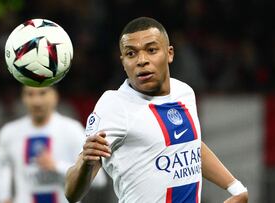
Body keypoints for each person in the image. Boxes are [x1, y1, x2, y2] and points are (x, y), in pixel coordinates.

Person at [65, 17, 248, 203]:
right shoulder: (114, 105)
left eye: (151, 50)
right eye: (131, 54)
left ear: (169, 54)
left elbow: (190, 145)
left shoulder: (184, 93)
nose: (141, 60)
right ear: (123, 62)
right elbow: (72, 194)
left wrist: (235, 188)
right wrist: (86, 164)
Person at [0, 86, 106, 203]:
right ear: (23, 98)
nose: (36, 101)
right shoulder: (9, 132)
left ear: (55, 96)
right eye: (30, 94)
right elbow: (0, 167)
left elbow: (99, 180)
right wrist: (3, 197)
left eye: (42, 93)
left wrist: (56, 166)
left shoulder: (72, 130)